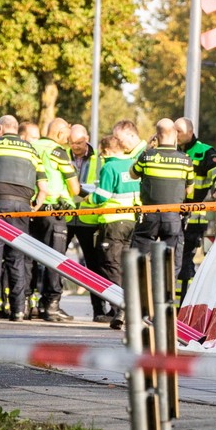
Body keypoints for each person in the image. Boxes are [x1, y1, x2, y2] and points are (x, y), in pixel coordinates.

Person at [0, 115, 48, 322]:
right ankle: (18, 311)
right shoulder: (32, 150)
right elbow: (43, 189)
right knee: (17, 258)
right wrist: (33, 208)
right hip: (21, 209)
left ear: (0, 128)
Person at [127, 118, 193, 327]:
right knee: (170, 266)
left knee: (137, 261)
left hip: (149, 217)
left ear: (156, 136)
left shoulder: (147, 156)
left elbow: (132, 173)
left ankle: (135, 310)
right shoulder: (185, 160)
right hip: (173, 218)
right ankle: (163, 313)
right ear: (175, 135)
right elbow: (189, 190)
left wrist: (148, 148)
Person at [84, 135, 138, 327]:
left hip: (112, 222)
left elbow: (101, 197)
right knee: (123, 266)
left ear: (106, 150)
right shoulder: (133, 164)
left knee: (110, 265)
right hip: (131, 221)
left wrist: (87, 199)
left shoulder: (110, 167)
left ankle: (119, 307)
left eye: (101, 153)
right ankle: (125, 305)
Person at [29, 117, 79, 322]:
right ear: (60, 133)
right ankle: (51, 306)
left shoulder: (32, 146)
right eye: (67, 134)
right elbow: (74, 187)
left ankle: (27, 304)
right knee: (55, 261)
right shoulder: (57, 151)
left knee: (29, 258)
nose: (68, 140)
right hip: (53, 212)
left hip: (32, 210)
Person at [174, 117, 216, 305]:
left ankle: (183, 304)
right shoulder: (170, 150)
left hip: (194, 217)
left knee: (184, 259)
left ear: (190, 132)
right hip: (172, 214)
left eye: (179, 131)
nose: (176, 135)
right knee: (176, 259)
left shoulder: (205, 152)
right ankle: (178, 303)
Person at [66, 124, 112, 321]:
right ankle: (47, 306)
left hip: (89, 218)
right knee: (53, 261)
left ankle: (99, 310)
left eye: (79, 142)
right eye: (71, 142)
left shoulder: (99, 159)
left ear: (87, 138)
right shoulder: (62, 154)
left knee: (94, 266)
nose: (75, 146)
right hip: (66, 216)